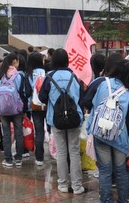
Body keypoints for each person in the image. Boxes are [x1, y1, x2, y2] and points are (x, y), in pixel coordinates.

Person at [83, 59, 129, 203]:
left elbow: (90, 104)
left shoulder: (102, 84)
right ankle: (123, 200)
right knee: (121, 171)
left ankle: (106, 200)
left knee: (105, 171)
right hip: (120, 137)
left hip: (100, 134)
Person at [39, 48, 85, 195]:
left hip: (56, 119)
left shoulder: (49, 77)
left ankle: (63, 184)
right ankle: (77, 186)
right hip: (74, 118)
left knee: (61, 151)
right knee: (74, 151)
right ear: (67, 60)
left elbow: (42, 97)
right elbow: (81, 98)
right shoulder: (74, 76)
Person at [0, 53, 31, 168]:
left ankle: (8, 159)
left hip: (3, 110)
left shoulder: (0, 75)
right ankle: (18, 159)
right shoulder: (19, 76)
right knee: (18, 133)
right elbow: (27, 92)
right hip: (17, 109)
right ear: (14, 62)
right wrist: (24, 107)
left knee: (6, 134)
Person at [27, 51, 47, 166]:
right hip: (47, 106)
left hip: (35, 106)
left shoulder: (29, 74)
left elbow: (27, 92)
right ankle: (56, 153)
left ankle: (39, 158)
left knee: (39, 132)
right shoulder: (46, 73)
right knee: (51, 131)